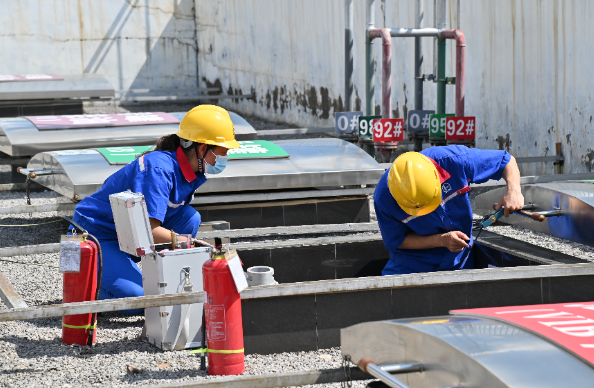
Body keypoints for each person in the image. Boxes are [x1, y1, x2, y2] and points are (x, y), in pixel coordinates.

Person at [70, 105, 239, 313]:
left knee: (190, 218)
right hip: (95, 235)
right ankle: (85, 283)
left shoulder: (190, 171)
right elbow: (148, 230)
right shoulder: (158, 169)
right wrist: (191, 244)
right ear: (202, 148)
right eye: (223, 153)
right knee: (141, 302)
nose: (224, 159)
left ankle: (168, 279)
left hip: (128, 232)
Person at [373, 145, 524, 275]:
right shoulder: (384, 199)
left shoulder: (455, 161)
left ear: (436, 177)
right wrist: (441, 240)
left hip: (459, 260)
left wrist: (514, 190)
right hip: (411, 263)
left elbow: (506, 160)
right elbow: (397, 241)